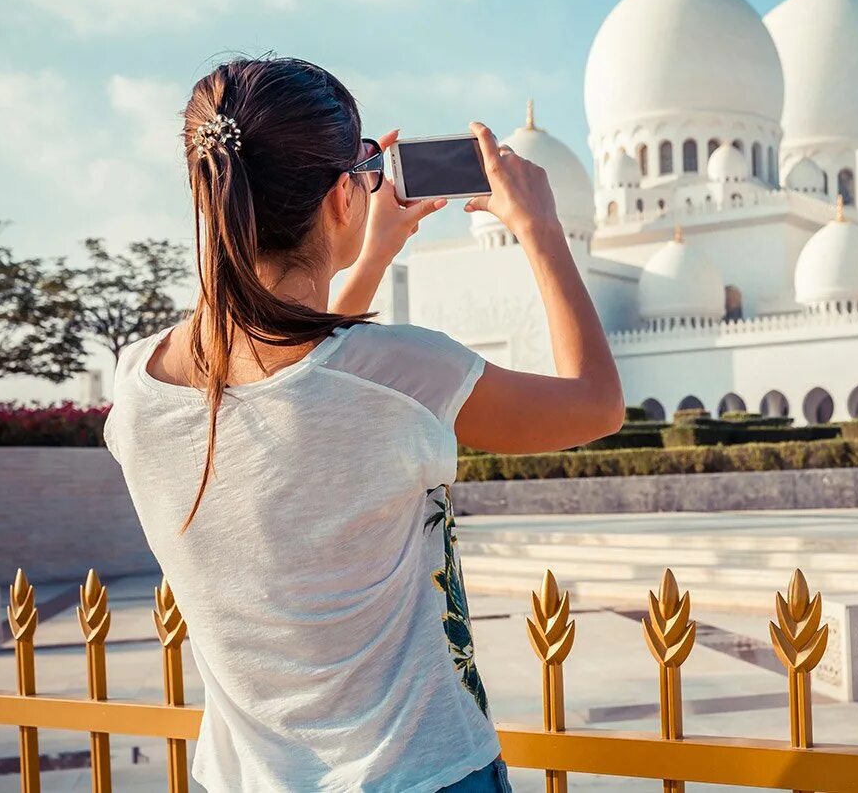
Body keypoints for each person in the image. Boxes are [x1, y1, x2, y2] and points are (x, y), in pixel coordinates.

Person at [104, 56, 623, 792]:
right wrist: (540, 229)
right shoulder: (405, 375)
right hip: (424, 773)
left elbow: (294, 390)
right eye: (364, 168)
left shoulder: (134, 389)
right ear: (341, 197)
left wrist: (372, 250)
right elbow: (596, 404)